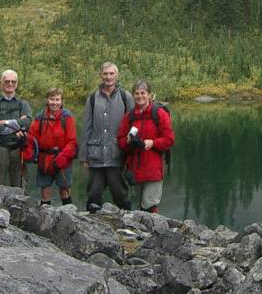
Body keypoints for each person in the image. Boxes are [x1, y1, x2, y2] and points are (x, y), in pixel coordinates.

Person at [79, 61, 133, 212]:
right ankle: (91, 221)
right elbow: (86, 128)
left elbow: (134, 126)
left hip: (117, 154)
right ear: (101, 75)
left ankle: (127, 220)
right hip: (95, 155)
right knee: (94, 194)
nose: (108, 77)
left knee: (120, 194)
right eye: (105, 74)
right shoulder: (92, 98)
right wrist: (84, 156)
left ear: (117, 75)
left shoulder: (126, 97)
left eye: (111, 73)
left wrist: (131, 154)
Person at [117, 79, 175, 213]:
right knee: (141, 207)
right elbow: (120, 140)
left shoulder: (159, 114)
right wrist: (128, 142)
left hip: (153, 170)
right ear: (133, 96)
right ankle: (143, 226)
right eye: (137, 93)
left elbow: (169, 140)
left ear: (149, 95)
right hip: (135, 170)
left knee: (150, 206)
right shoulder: (130, 116)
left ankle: (153, 226)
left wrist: (153, 143)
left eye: (143, 93)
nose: (140, 96)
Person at [21, 87, 77, 206]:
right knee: (45, 189)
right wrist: (26, 143)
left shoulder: (67, 118)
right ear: (47, 100)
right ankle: (45, 214)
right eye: (52, 99)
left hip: (63, 159)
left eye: (57, 99)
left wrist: (62, 158)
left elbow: (72, 142)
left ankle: (69, 214)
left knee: (64, 190)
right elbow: (32, 138)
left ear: (61, 101)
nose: (54, 103)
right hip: (44, 159)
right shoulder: (40, 118)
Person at [0, 69, 33, 188]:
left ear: (17, 84)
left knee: (19, 186)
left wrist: (5, 122)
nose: (10, 84)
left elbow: (27, 123)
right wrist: (17, 127)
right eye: (7, 81)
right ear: (1, 83)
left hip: (18, 147)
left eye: (13, 82)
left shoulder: (23, 104)